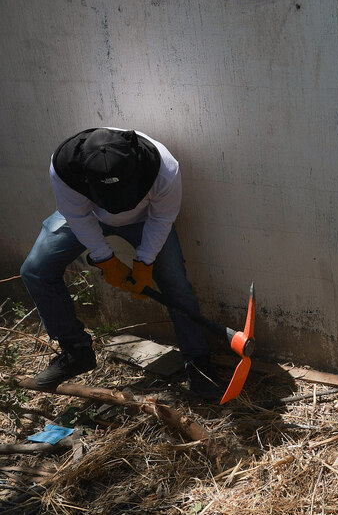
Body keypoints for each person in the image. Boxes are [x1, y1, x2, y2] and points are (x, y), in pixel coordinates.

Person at [20, 127, 223, 401]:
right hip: (87, 216)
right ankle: (75, 350)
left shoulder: (164, 168)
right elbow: (77, 217)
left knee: (175, 285)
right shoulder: (65, 167)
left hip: (145, 220)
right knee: (35, 270)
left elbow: (162, 218)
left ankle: (198, 362)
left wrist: (144, 262)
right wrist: (106, 259)